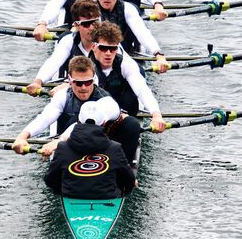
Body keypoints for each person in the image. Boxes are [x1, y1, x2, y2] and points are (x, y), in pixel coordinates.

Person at [12, 56, 147, 162]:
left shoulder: (106, 101)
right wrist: (23, 136)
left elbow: (84, 125)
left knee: (132, 124)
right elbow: (45, 118)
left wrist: (58, 142)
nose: (83, 87)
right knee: (69, 118)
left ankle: (126, 169)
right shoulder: (63, 96)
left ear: (94, 78)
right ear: (70, 80)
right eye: (78, 83)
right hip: (75, 142)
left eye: (88, 82)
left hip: (105, 145)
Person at [44, 100, 136, 199]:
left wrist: (62, 189)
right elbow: (129, 180)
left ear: (78, 121)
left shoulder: (62, 148)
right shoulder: (115, 148)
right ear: (104, 122)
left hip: (71, 196)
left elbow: (50, 180)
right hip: (107, 196)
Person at [89, 22, 167, 133]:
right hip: (98, 110)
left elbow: (142, 90)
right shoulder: (86, 66)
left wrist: (156, 115)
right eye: (103, 48)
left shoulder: (126, 64)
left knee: (130, 100)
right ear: (93, 47)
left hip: (124, 110)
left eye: (113, 49)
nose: (108, 53)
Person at [94, 0, 169, 73]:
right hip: (96, 52)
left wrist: (158, 55)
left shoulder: (128, 8)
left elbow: (142, 33)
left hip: (121, 51)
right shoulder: (88, 9)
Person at [28, 0, 101, 94]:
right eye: (86, 24)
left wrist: (69, 86)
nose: (91, 28)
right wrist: (38, 81)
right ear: (76, 25)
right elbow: (53, 62)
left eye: (94, 23)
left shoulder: (108, 44)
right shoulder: (69, 41)